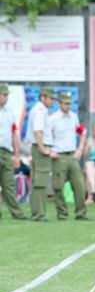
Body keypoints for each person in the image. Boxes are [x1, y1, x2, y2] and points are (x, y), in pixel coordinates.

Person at [49, 92, 88, 221]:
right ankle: (62, 214)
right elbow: (46, 136)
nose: (68, 106)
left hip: (72, 156)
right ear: (59, 103)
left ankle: (81, 213)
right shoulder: (53, 119)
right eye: (65, 103)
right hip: (58, 156)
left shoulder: (73, 117)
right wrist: (50, 151)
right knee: (58, 187)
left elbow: (83, 132)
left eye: (69, 104)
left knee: (80, 185)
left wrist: (80, 149)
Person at [0, 83, 27, 220]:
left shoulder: (9, 111)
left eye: (7, 95)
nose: (6, 98)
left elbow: (14, 134)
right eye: (4, 95)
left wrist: (16, 155)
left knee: (9, 184)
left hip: (6, 152)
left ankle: (17, 213)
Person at [29, 87, 56, 221]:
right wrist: (43, 148)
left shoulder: (38, 109)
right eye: (50, 98)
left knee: (38, 181)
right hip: (41, 148)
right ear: (43, 97)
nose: (52, 101)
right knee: (41, 181)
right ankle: (39, 214)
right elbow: (38, 131)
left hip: (38, 147)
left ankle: (37, 212)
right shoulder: (41, 111)